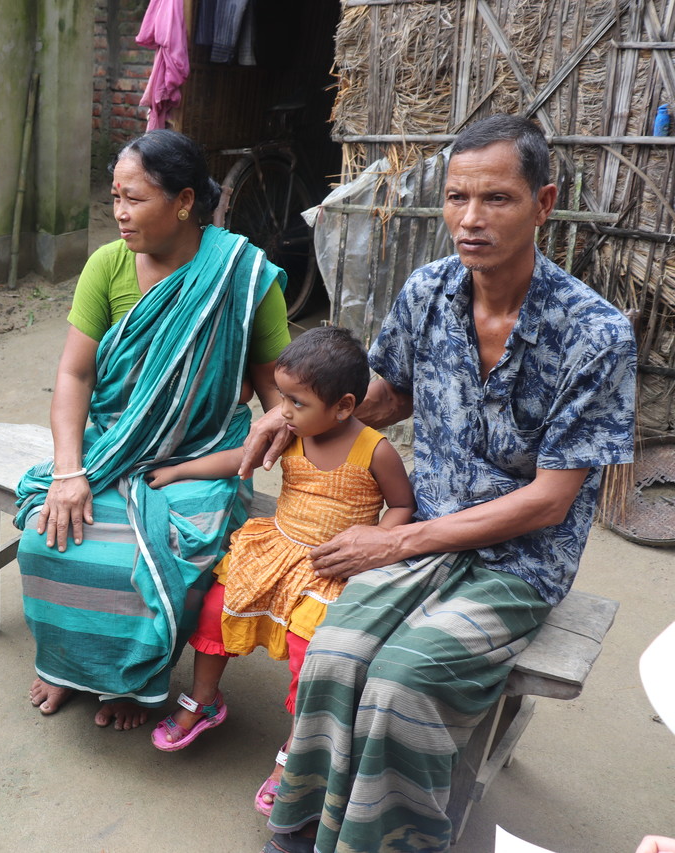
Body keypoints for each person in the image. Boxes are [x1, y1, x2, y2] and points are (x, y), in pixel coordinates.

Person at [243, 115, 637, 853]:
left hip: (519, 563)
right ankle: (303, 828)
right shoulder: (429, 291)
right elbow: (388, 394)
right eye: (457, 197)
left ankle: (381, 843)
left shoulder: (597, 332)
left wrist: (393, 541)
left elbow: (552, 498)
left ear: (544, 203)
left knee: (400, 685)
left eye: (497, 198)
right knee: (334, 651)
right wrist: (298, 419)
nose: (471, 218)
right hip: (426, 535)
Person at [14, 128, 292, 730]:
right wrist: (68, 471)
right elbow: (74, 373)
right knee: (48, 537)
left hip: (201, 454)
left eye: (134, 199)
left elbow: (277, 391)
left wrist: (277, 419)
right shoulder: (107, 266)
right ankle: (67, 666)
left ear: (184, 201)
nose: (118, 213)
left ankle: (128, 682)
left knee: (161, 555)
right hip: (113, 445)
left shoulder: (240, 275)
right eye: (114, 196)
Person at [145, 328, 414, 819]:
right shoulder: (293, 434)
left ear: (344, 405)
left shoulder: (375, 451)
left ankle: (296, 751)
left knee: (308, 655)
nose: (282, 410)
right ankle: (205, 699)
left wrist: (377, 542)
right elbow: (240, 460)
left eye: (296, 401)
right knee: (213, 612)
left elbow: (402, 505)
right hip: (275, 549)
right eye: (282, 396)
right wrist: (181, 470)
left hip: (330, 567)